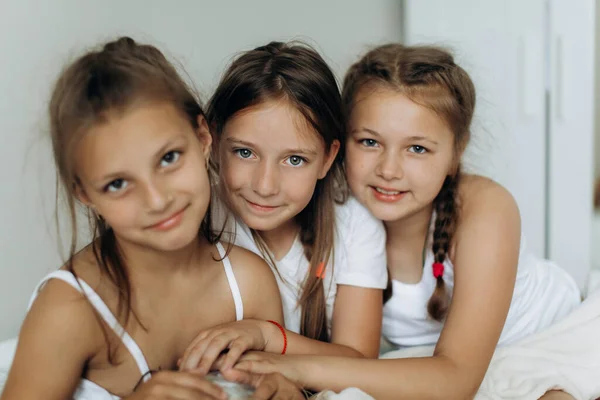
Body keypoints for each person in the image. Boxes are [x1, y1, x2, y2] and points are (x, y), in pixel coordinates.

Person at [226, 43, 582, 400]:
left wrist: (295, 366)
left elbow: (456, 378)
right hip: (426, 367)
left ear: (456, 153)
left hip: (547, 342)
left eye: (417, 149)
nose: (389, 170)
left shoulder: (484, 208)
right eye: (369, 142)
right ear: (338, 145)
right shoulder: (336, 215)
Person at [1, 37, 297, 400]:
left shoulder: (249, 283)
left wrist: (286, 391)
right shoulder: (69, 310)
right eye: (118, 183)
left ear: (203, 138)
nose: (157, 200)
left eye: (169, 158)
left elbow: (277, 381)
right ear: (85, 194)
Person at [179, 41, 388, 374]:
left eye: (294, 159)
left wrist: (266, 336)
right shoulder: (194, 218)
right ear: (213, 140)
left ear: (328, 158)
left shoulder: (354, 226)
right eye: (245, 153)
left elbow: (360, 362)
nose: (265, 186)